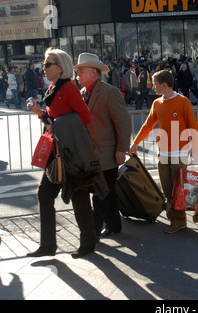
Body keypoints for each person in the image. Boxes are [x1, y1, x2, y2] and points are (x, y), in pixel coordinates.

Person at [26, 48, 99, 258]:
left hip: (70, 152)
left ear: (61, 67)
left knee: (79, 196)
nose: (44, 68)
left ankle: (88, 242)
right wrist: (40, 113)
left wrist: (57, 125)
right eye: (44, 64)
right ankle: (48, 245)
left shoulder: (68, 88)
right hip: (56, 151)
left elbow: (85, 117)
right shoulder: (53, 86)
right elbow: (53, 119)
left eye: (48, 64)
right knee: (45, 194)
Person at [128, 69, 198, 233]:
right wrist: (135, 143)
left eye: (154, 83)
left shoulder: (182, 101)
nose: (152, 87)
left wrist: (194, 149)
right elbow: (148, 125)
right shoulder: (157, 103)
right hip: (163, 152)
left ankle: (180, 220)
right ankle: (195, 205)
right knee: (168, 190)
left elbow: (193, 126)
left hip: (179, 153)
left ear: (164, 84)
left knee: (178, 189)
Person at [74, 52, 132, 238]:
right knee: (107, 192)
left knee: (100, 194)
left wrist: (121, 149)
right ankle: (114, 225)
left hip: (107, 154)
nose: (78, 75)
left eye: (81, 71)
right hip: (90, 155)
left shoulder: (109, 92)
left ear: (94, 72)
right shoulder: (83, 93)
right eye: (78, 71)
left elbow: (123, 122)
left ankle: (93, 230)